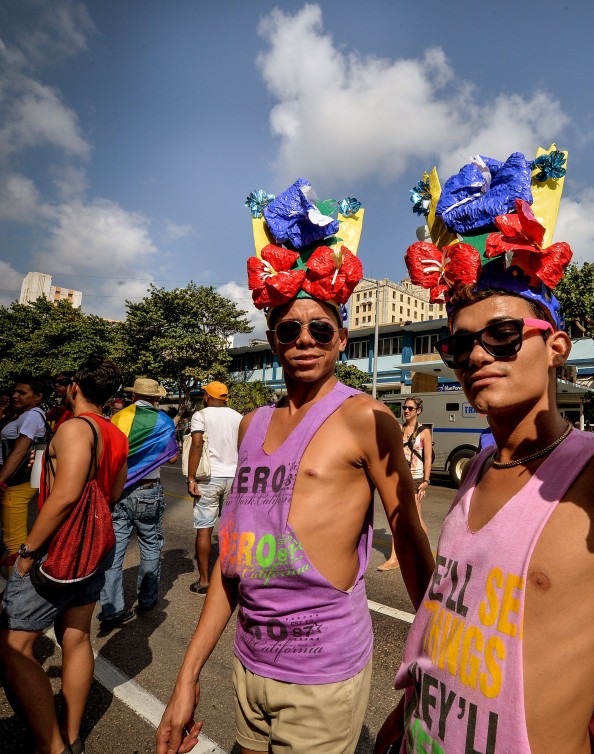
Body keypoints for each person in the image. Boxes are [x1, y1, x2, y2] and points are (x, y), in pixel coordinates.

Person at [376, 148, 594, 754]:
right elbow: (449, 628)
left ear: (556, 347)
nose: (476, 356)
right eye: (460, 344)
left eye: (501, 337)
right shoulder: (475, 469)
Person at [157, 179, 433, 754]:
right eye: (289, 329)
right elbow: (233, 567)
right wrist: (186, 678)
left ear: (342, 337)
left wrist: (434, 668)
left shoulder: (365, 417)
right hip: (249, 669)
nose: (304, 339)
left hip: (324, 676)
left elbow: (409, 541)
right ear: (272, 338)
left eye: (320, 329)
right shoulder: (255, 423)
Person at [0, 356, 128, 754]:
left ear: (75, 385)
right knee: (76, 639)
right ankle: (72, 737)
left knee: (13, 646)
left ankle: (51, 745)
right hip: (94, 547)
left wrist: (27, 550)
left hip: (59, 549)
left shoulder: (74, 428)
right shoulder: (116, 434)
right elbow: (114, 492)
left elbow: (67, 494)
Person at [98, 378, 179, 628]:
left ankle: (112, 609)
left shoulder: (118, 418)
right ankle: (147, 600)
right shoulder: (163, 421)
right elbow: (173, 457)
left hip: (119, 491)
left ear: (134, 396)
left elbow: (108, 453)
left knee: (114, 552)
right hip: (148, 491)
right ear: (156, 398)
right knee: (151, 546)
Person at [185, 381, 242, 594]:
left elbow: (197, 444)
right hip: (234, 478)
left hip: (209, 479)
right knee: (231, 530)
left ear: (207, 397)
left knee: (204, 529)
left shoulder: (201, 415)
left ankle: (204, 581)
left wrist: (191, 478)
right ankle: (230, 580)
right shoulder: (238, 417)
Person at [379, 396, 432, 572]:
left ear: (418, 410)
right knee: (397, 518)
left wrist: (426, 480)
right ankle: (394, 558)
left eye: (410, 408)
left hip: (416, 479)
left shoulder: (424, 432)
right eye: (404, 407)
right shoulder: (399, 429)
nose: (406, 410)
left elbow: (428, 458)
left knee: (415, 517)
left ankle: (425, 554)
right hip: (400, 478)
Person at [0, 376, 50, 560]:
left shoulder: (30, 416)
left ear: (37, 397)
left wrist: (1, 480)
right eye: (14, 391)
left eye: (22, 392)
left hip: (16, 483)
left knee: (14, 542)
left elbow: (19, 452)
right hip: (25, 481)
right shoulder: (35, 415)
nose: (14, 395)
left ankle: (20, 586)